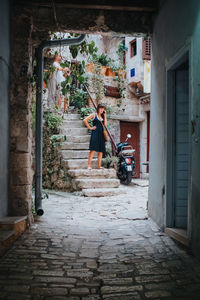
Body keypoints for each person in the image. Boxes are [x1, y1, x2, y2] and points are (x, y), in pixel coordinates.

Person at [83, 104, 107, 169]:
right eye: (101, 108)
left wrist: (105, 116)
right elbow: (85, 120)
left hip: (101, 134)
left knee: (101, 150)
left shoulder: (102, 117)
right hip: (95, 133)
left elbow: (105, 125)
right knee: (92, 149)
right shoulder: (94, 115)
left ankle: (99, 166)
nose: (102, 110)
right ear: (98, 108)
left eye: (103, 108)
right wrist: (90, 128)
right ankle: (88, 166)